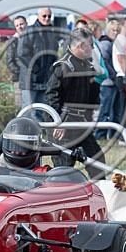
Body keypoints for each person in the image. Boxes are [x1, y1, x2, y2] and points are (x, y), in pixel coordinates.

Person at [45, 27, 107, 180]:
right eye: (91, 45)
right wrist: (57, 122)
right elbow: (51, 96)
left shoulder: (86, 64)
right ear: (81, 46)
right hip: (63, 124)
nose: (93, 48)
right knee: (64, 168)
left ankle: (100, 191)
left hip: (81, 122)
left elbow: (91, 94)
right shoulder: (63, 66)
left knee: (97, 160)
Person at [17, 7, 62, 116]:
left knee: (41, 111)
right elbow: (22, 53)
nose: (47, 18)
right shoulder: (29, 30)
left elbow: (54, 53)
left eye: (49, 16)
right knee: (28, 111)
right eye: (44, 16)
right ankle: (22, 128)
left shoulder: (52, 32)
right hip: (30, 79)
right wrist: (35, 69)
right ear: (38, 16)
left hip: (45, 79)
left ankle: (40, 128)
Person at [95, 20, 122, 140]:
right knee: (105, 111)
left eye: (117, 31)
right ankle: (100, 135)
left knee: (115, 111)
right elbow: (105, 61)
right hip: (108, 83)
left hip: (113, 82)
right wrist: (114, 75)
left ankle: (113, 135)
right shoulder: (106, 43)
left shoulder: (112, 43)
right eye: (113, 30)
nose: (115, 33)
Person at [5, 15, 27, 108]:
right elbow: (10, 62)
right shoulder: (12, 42)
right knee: (20, 106)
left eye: (21, 24)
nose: (19, 27)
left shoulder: (33, 39)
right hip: (18, 79)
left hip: (33, 79)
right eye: (17, 25)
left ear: (26, 24)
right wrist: (21, 73)